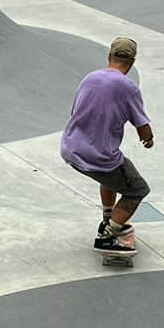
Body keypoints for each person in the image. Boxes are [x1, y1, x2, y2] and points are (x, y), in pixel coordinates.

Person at [60, 36, 156, 255]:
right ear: (132, 62)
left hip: (71, 148)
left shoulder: (89, 78)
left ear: (109, 56)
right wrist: (148, 139)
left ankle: (107, 218)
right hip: (98, 156)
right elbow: (143, 127)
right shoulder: (128, 88)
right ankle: (107, 236)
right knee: (137, 190)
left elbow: (75, 111)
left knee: (110, 175)